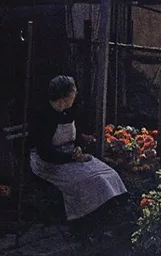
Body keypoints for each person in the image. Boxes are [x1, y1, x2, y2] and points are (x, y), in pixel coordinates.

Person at [29, 75, 127, 229]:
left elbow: (76, 135)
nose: (75, 95)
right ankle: (84, 223)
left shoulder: (68, 112)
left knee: (109, 174)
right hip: (49, 163)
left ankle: (106, 219)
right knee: (92, 182)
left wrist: (79, 147)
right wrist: (72, 158)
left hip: (71, 155)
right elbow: (45, 152)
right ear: (64, 98)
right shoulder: (44, 116)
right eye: (73, 93)